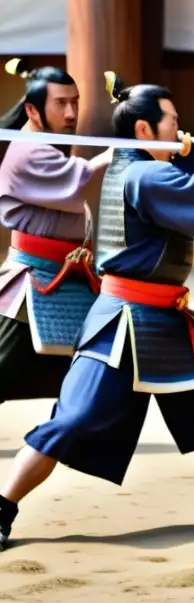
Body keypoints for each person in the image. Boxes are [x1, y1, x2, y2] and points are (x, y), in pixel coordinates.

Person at [0, 74, 194, 550]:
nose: (182, 129)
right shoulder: (144, 173)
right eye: (173, 122)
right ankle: (3, 506)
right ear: (144, 131)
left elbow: (187, 173)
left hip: (166, 320)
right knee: (73, 421)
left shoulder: (137, 164)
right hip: (122, 322)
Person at [0, 59, 112, 409]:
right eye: (60, 103)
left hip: (64, 275)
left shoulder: (41, 144)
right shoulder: (29, 150)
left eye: (75, 102)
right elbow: (76, 182)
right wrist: (117, 153)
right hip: (36, 280)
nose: (70, 112)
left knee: (92, 372)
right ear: (32, 110)